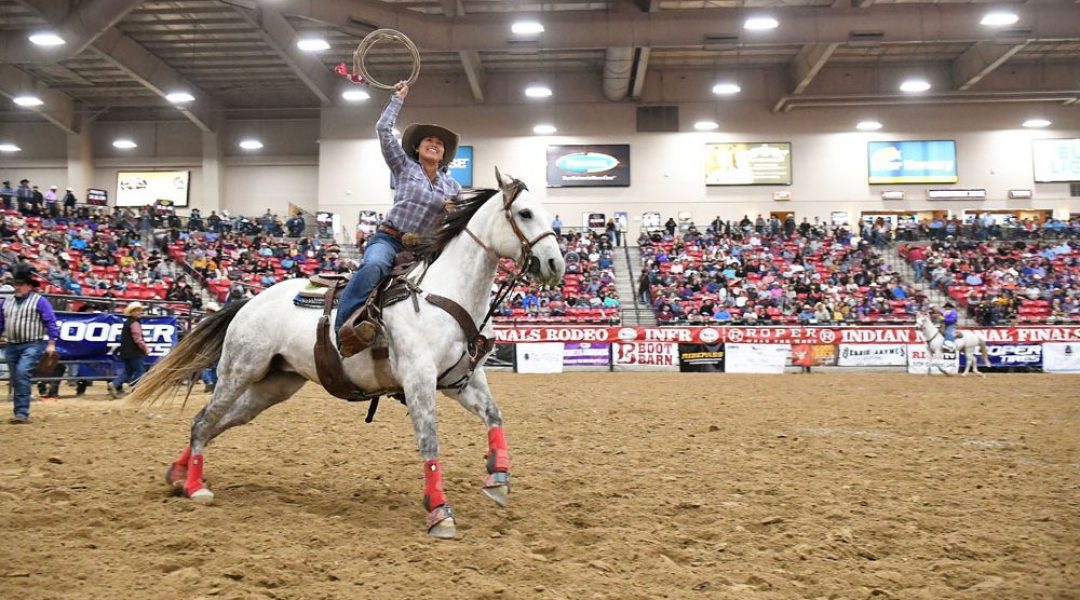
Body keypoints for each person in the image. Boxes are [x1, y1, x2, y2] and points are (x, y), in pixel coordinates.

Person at [334, 80, 462, 357]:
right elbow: (383, 130)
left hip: (423, 250)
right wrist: (397, 99)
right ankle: (343, 328)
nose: (434, 144)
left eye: (439, 143)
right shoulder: (404, 167)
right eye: (429, 140)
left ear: (444, 154)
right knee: (372, 267)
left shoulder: (453, 187)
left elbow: (459, 225)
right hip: (390, 239)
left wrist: (454, 213)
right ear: (417, 148)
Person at [0, 265, 59, 423]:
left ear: (29, 286)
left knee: (21, 372)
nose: (17, 287)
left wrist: (51, 343)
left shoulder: (40, 301)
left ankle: (22, 412)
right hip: (12, 344)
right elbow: (1, 322)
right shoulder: (7, 302)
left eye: (20, 284)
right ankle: (19, 411)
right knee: (17, 376)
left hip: (32, 343)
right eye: (16, 284)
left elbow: (50, 322)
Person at [107, 301, 149, 398]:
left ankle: (114, 383)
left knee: (128, 371)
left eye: (140, 311)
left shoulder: (127, 323)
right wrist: (145, 348)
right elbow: (138, 339)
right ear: (132, 312)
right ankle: (136, 389)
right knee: (139, 370)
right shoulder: (135, 323)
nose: (139, 313)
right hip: (134, 351)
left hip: (126, 351)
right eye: (137, 311)